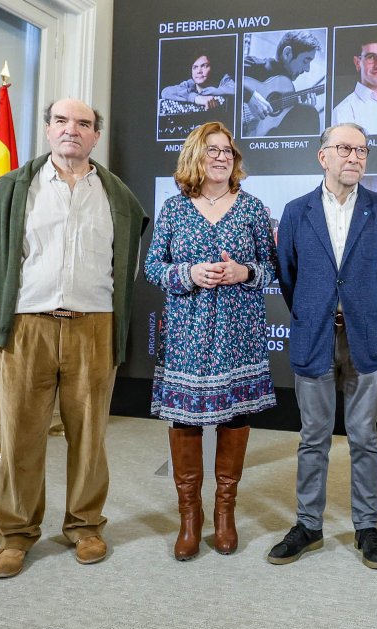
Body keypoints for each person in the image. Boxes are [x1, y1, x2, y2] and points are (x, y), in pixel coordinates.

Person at [0, 99, 148, 579]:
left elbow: (126, 268)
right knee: (20, 434)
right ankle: (15, 535)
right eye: (61, 121)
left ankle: (85, 525)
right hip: (28, 326)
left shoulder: (119, 196)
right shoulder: (13, 189)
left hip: (94, 326)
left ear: (96, 136)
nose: (71, 130)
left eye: (83, 123)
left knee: (90, 432)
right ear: (48, 130)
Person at [269, 123, 377, 569]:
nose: (354, 157)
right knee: (313, 438)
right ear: (322, 156)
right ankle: (308, 524)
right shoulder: (295, 211)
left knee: (365, 437)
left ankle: (367, 526)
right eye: (344, 148)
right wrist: (316, 310)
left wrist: (362, 311)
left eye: (361, 150)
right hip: (314, 336)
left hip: (365, 337)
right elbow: (288, 278)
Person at [145, 121, 278, 561]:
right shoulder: (173, 209)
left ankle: (224, 513)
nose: (221, 157)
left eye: (227, 151)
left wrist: (245, 272)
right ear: (195, 157)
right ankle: (190, 517)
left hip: (239, 334)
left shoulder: (254, 208)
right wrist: (188, 273)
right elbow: (151, 267)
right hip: (187, 333)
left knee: (234, 419)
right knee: (183, 421)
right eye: (211, 150)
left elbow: (272, 268)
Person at [243, 30, 323, 137]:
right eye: (305, 60)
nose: (307, 69)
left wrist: (304, 117)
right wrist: (249, 96)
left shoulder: (288, 91)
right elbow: (222, 78)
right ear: (287, 53)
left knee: (309, 113)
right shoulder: (255, 65)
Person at [160, 54, 236, 110]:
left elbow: (233, 90)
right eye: (195, 67)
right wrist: (197, 98)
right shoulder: (190, 84)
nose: (199, 71)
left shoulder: (224, 80)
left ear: (213, 68)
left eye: (204, 66)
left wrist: (204, 94)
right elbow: (165, 92)